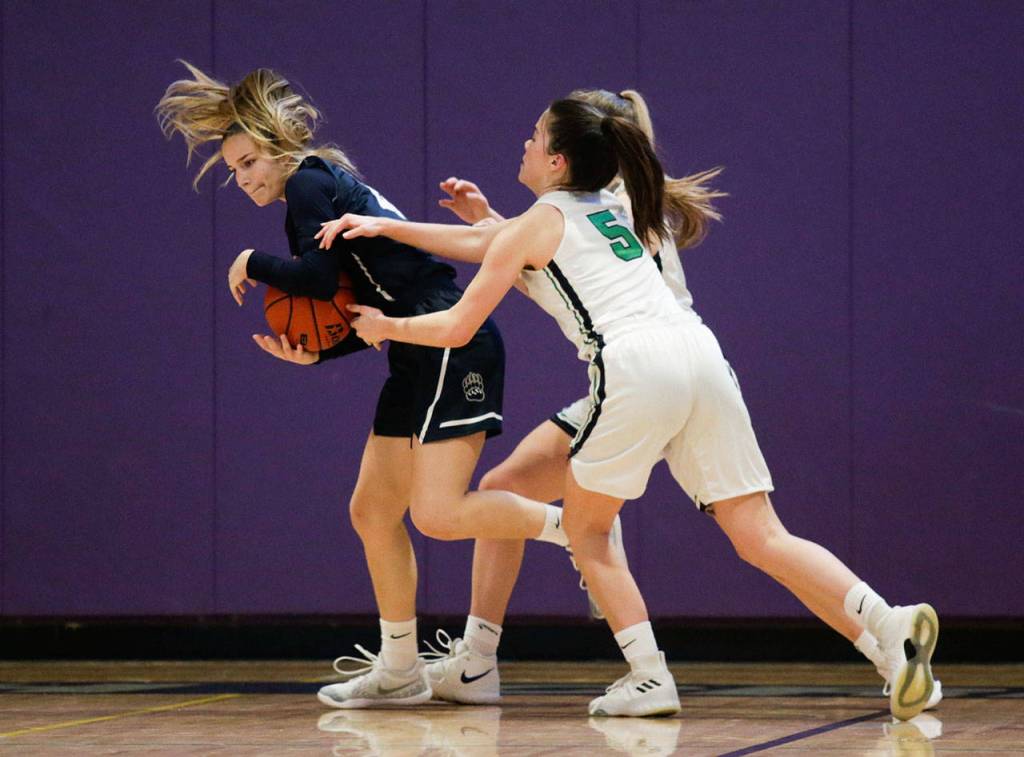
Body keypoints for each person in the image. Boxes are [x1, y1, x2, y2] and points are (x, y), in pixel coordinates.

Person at [316, 96, 940, 720]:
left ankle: (647, 675)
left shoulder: (556, 215)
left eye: (535, 136)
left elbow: (483, 288)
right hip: (699, 360)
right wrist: (402, 227)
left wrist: (387, 323)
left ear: (562, 157)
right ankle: (889, 631)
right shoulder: (618, 203)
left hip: (636, 371)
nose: (524, 143)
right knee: (758, 534)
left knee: (586, 526)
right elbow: (518, 248)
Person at [155, 62, 575, 710]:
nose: (243, 180)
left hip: (449, 343)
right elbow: (354, 309)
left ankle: (577, 527)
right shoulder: (317, 189)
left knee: (437, 513)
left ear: (277, 147)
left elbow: (318, 283)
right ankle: (401, 665)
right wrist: (313, 357)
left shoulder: (307, 185)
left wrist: (252, 262)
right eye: (234, 170)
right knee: (372, 509)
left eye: (247, 163)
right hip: (410, 346)